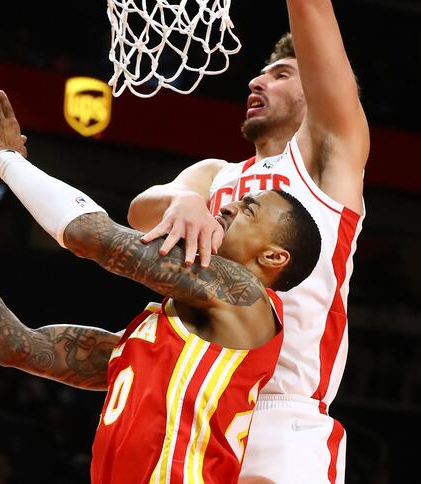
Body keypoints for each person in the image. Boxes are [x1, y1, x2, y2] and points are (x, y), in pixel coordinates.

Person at [0, 80, 322, 484]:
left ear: (273, 257)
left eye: (247, 210)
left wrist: (4, 157)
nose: (226, 206)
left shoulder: (247, 297)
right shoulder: (152, 339)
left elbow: (90, 235)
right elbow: (13, 344)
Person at [126, 2, 369, 483]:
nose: (256, 83)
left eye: (280, 75)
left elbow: (313, 11)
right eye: (260, 76)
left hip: (284, 417)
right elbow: (139, 211)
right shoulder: (215, 175)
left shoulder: (327, 162)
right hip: (198, 404)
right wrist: (184, 200)